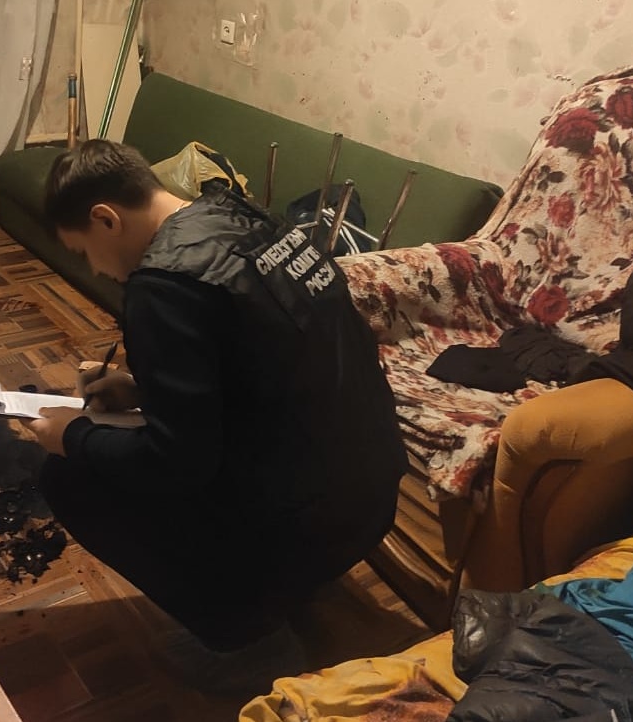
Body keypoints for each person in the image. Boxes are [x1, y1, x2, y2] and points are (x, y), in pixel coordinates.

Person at [26, 139, 405, 692]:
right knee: (128, 440)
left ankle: (246, 641)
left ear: (106, 219)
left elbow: (176, 463)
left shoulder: (163, 285)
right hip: (370, 496)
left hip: (305, 524)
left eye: (84, 251)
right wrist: (143, 390)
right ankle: (286, 589)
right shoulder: (244, 217)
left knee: (67, 479)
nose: (96, 268)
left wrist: (72, 436)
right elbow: (266, 364)